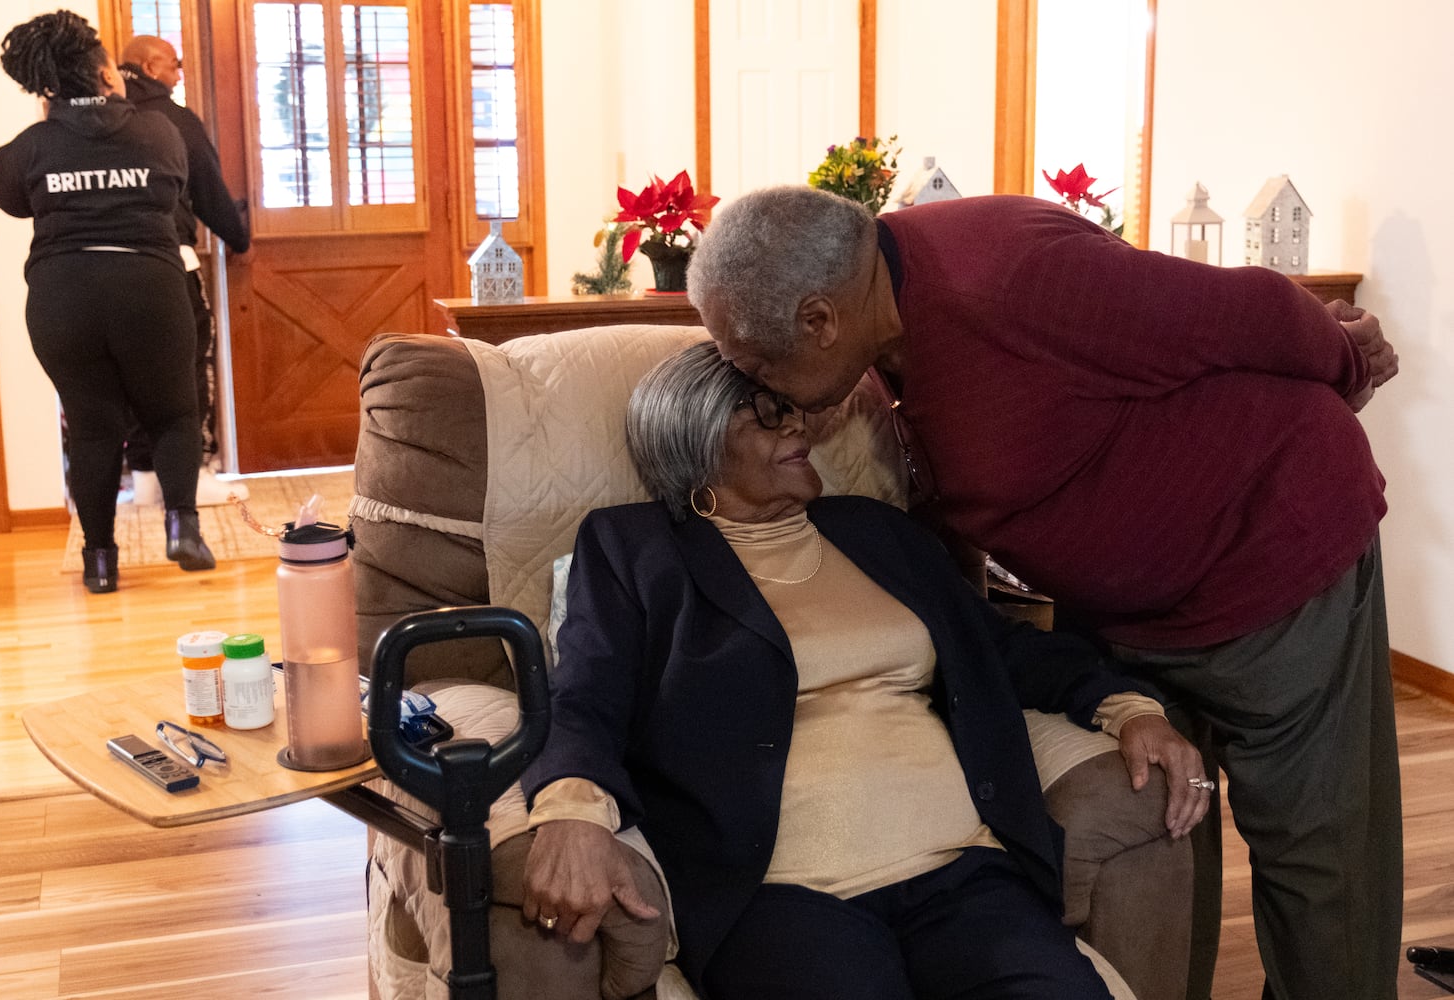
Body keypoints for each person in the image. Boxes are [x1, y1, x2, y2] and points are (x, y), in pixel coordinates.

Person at [686, 185, 1400, 1000]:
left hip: (1269, 548)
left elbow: (1247, 312)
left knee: (1317, 853)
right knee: (1173, 825)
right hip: (1131, 610)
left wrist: (1351, 360)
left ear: (820, 321)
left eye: (756, 366)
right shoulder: (878, 331)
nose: (760, 393)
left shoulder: (1002, 276)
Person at [519, 341, 1209, 1000]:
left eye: (792, 405)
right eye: (764, 410)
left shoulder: (874, 531)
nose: (797, 423)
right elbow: (585, 691)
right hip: (780, 896)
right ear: (695, 440)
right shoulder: (635, 548)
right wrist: (572, 811)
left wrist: (1130, 708)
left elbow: (1004, 649)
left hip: (966, 876)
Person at [0, 10, 216, 594]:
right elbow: (174, 186)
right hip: (148, 287)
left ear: (47, 83)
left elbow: (3, 191)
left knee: (91, 427)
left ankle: (100, 562)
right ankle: (183, 527)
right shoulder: (159, 131)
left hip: (63, 297)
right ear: (104, 70)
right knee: (172, 411)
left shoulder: (34, 144)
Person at [117, 34, 251, 506]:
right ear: (151, 68)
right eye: (176, 64)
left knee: (133, 371)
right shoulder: (173, 120)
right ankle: (194, 474)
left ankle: (146, 479)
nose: (181, 74)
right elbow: (209, 191)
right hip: (172, 262)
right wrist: (238, 237)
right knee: (191, 365)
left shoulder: (104, 118)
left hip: (111, 269)